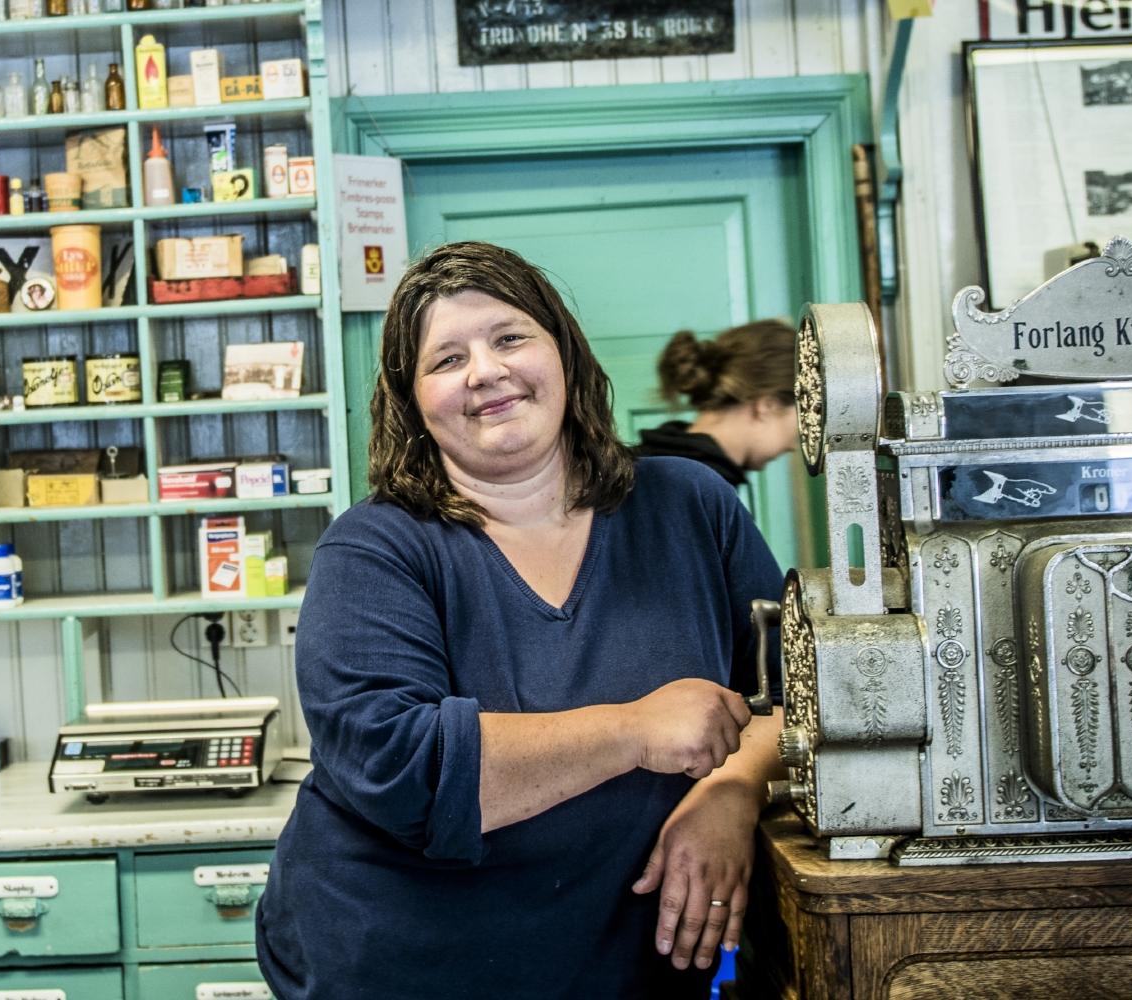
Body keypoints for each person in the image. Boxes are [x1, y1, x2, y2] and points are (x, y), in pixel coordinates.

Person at [255, 242, 786, 998]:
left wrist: (733, 790)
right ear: (411, 401)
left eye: (509, 338)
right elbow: (402, 769)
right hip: (410, 964)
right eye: (446, 360)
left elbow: (796, 701)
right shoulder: (374, 548)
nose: (484, 371)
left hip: (626, 963)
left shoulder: (691, 506)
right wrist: (637, 730)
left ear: (563, 352)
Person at [638, 320, 799, 499]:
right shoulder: (695, 488)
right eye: (803, 420)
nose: (792, 446)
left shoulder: (654, 466)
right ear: (768, 405)